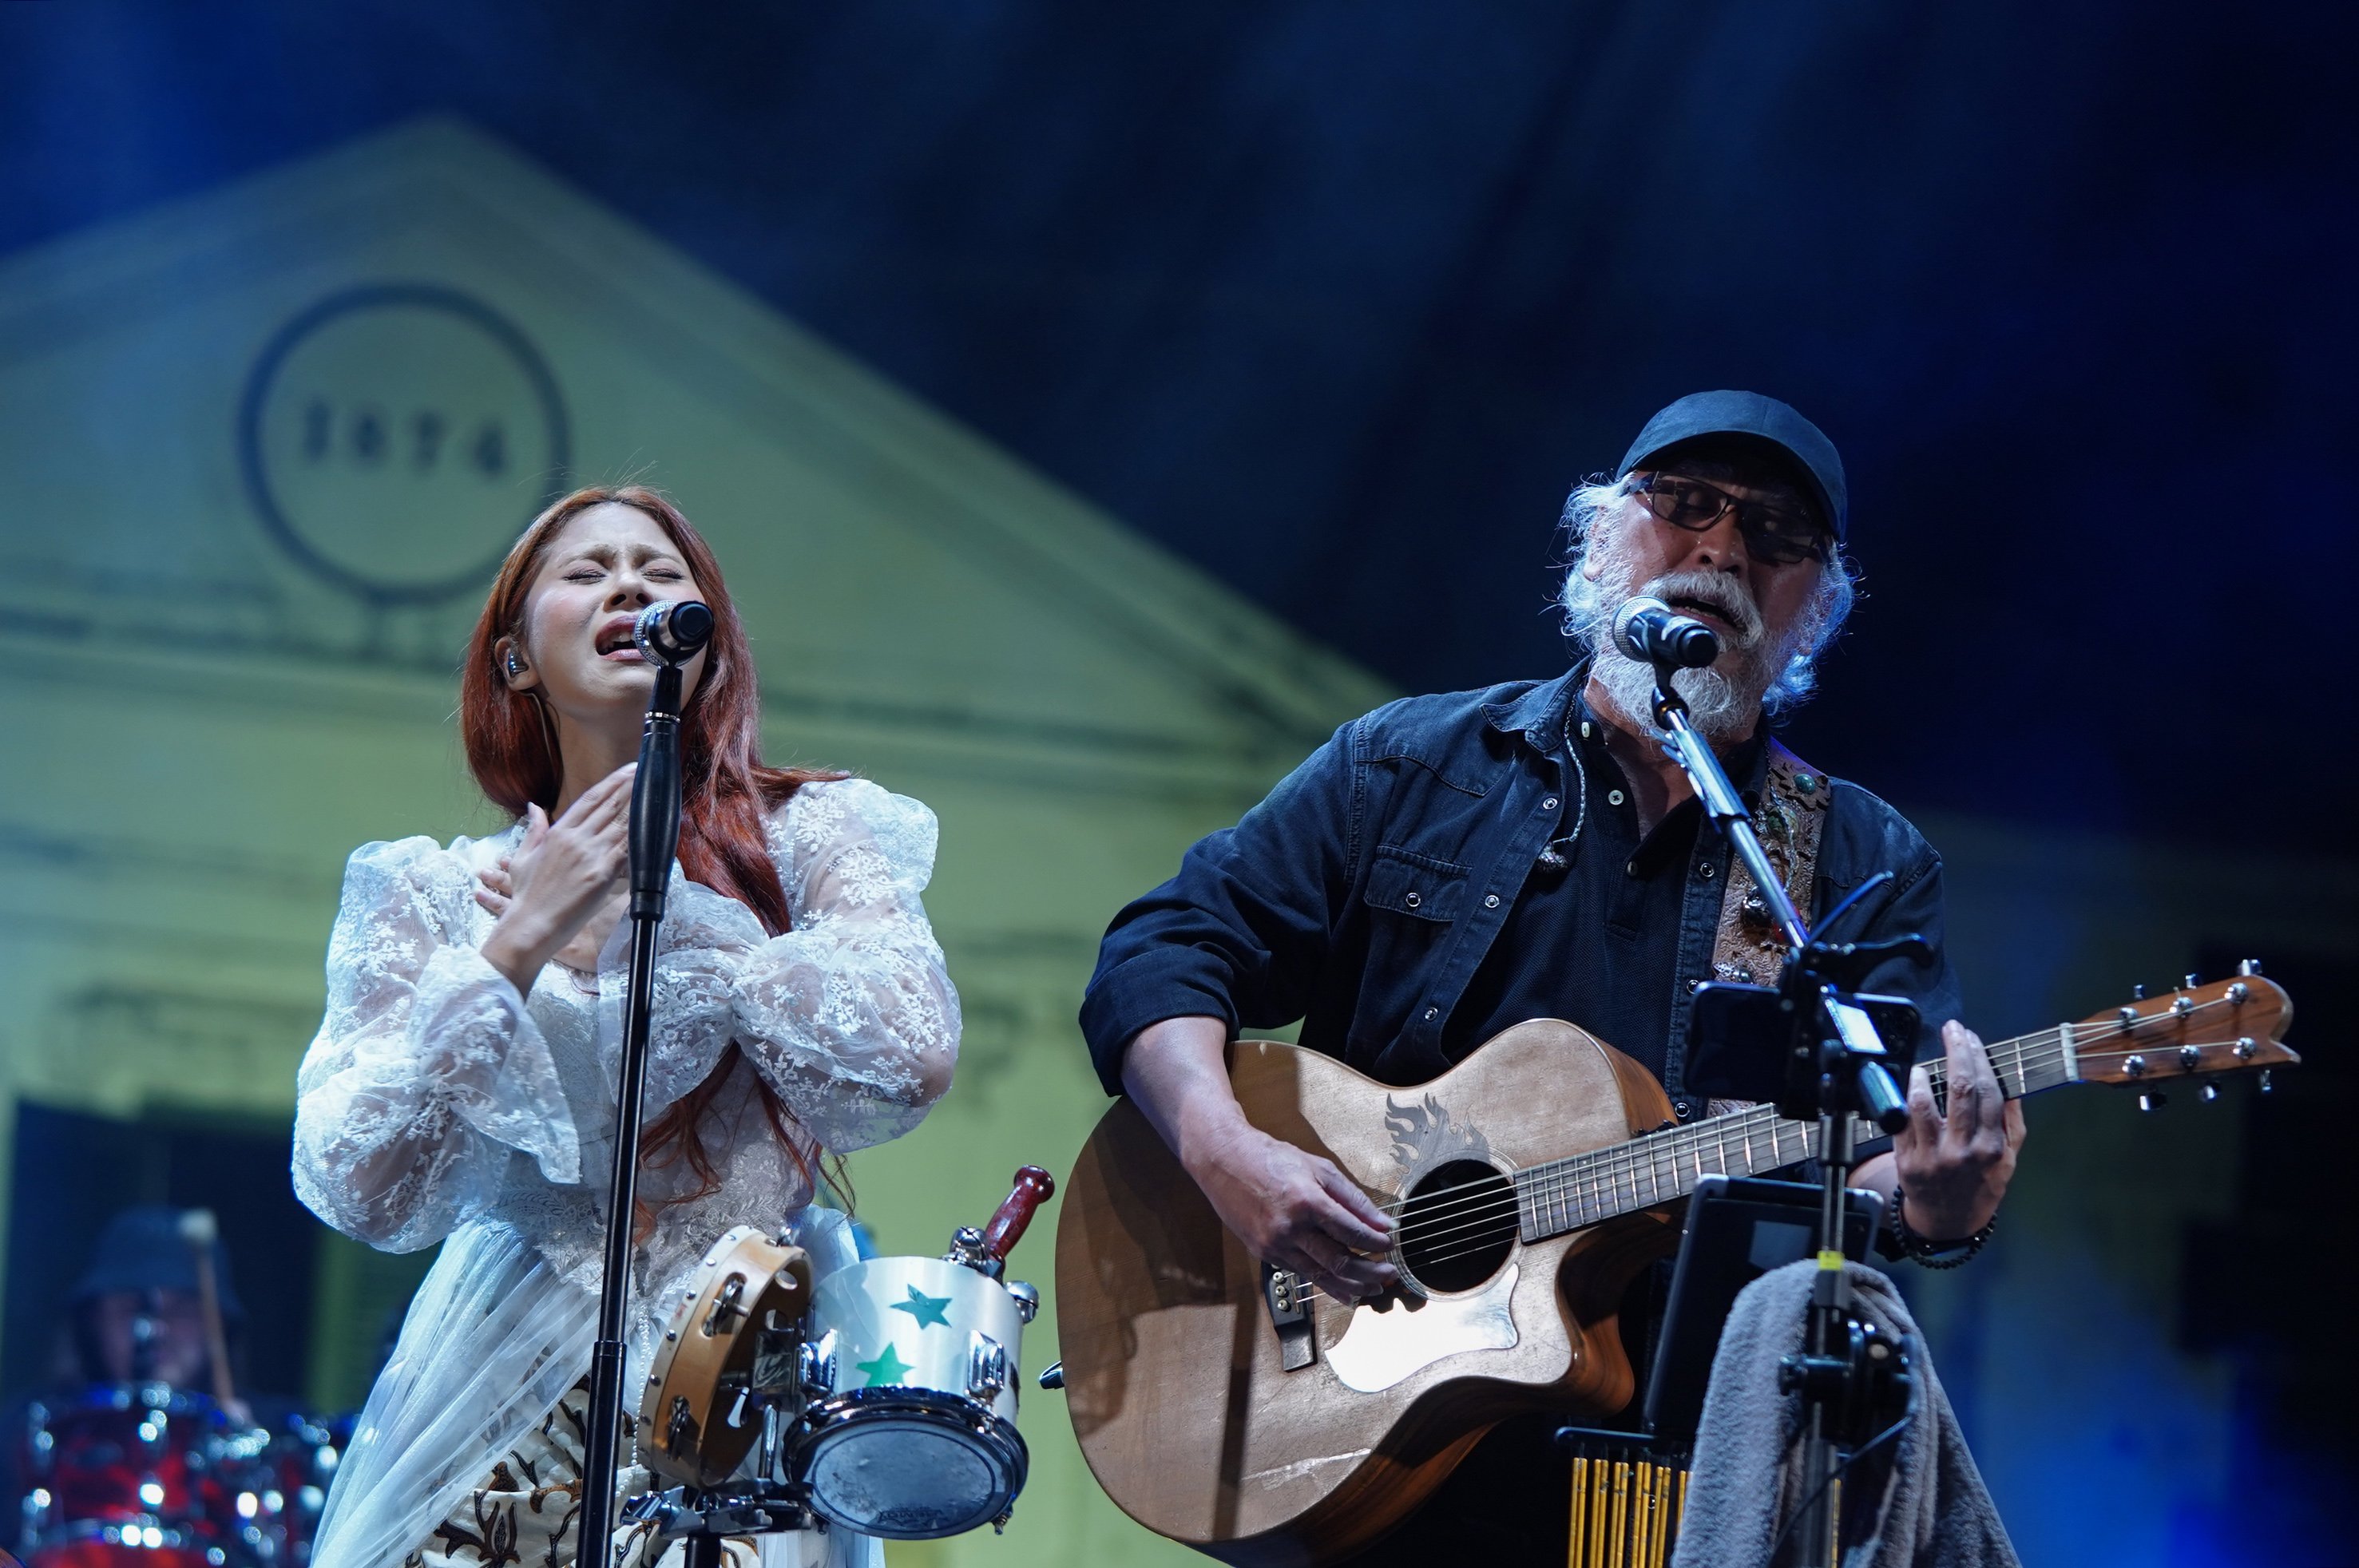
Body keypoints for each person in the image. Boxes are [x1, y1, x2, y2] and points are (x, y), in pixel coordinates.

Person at [1079, 391, 2026, 1561]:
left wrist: (1934, 1208)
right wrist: (1226, 1152)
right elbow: (1165, 948)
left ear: (1815, 609)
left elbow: (1877, 1150)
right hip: (1358, 1416)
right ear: (1598, 537)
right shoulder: (1409, 766)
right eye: (1683, 506)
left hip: (1669, 1474)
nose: (1720, 548)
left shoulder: (1855, 858)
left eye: (1773, 537)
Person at [293, 486, 960, 1568]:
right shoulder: (429, 891)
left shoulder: (812, 839)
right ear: (514, 658)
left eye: (660, 571)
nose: (631, 586)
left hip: (735, 1367)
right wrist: (513, 946)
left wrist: (705, 928)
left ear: (705, 644)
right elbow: (356, 1176)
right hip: (500, 1371)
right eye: (588, 570)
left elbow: (907, 1056)